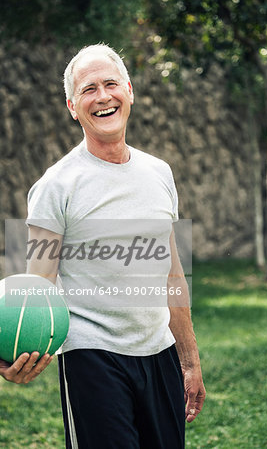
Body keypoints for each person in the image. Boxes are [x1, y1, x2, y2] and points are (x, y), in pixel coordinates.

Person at [0, 44, 205, 448]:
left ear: (129, 91)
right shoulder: (56, 187)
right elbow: (38, 290)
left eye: (111, 84)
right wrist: (11, 354)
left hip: (159, 353)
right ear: (73, 106)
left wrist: (189, 360)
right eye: (88, 89)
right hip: (92, 358)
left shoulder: (159, 173)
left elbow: (172, 273)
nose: (103, 96)